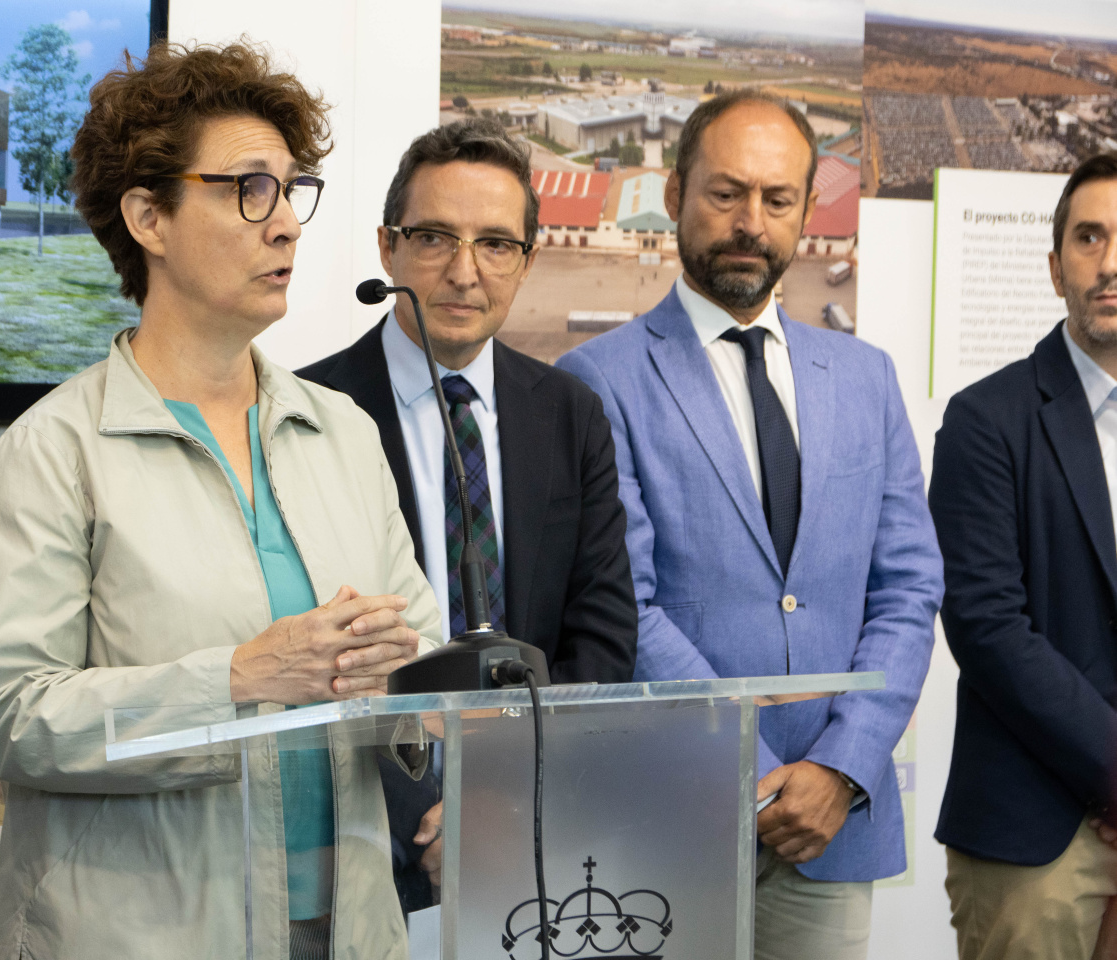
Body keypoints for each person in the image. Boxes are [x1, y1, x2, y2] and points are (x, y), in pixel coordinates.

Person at [0, 42, 438, 960]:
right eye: (248, 189)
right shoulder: (54, 451)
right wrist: (237, 679)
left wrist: (411, 681)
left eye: (293, 189)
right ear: (148, 216)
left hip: (352, 927)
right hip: (149, 936)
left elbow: (413, 661)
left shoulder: (342, 432)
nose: (286, 224)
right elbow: (16, 720)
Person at [556, 90, 942, 960]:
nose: (749, 223)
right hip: (671, 818)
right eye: (725, 193)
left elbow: (909, 589)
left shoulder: (867, 377)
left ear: (807, 211)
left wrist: (842, 768)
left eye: (777, 200)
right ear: (675, 190)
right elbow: (628, 605)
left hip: (835, 823)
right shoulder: (593, 382)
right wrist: (759, 778)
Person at [297, 118, 636, 912]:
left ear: (527, 260)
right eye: (434, 238)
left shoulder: (570, 414)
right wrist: (428, 816)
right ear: (387, 248)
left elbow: (603, 639)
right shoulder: (306, 412)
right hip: (358, 844)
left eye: (495, 244)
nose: (463, 272)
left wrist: (502, 799)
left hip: (537, 836)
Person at [931, 153, 1117, 960]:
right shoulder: (986, 420)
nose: (1111, 263)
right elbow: (987, 627)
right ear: (1054, 267)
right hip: (1038, 835)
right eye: (1089, 238)